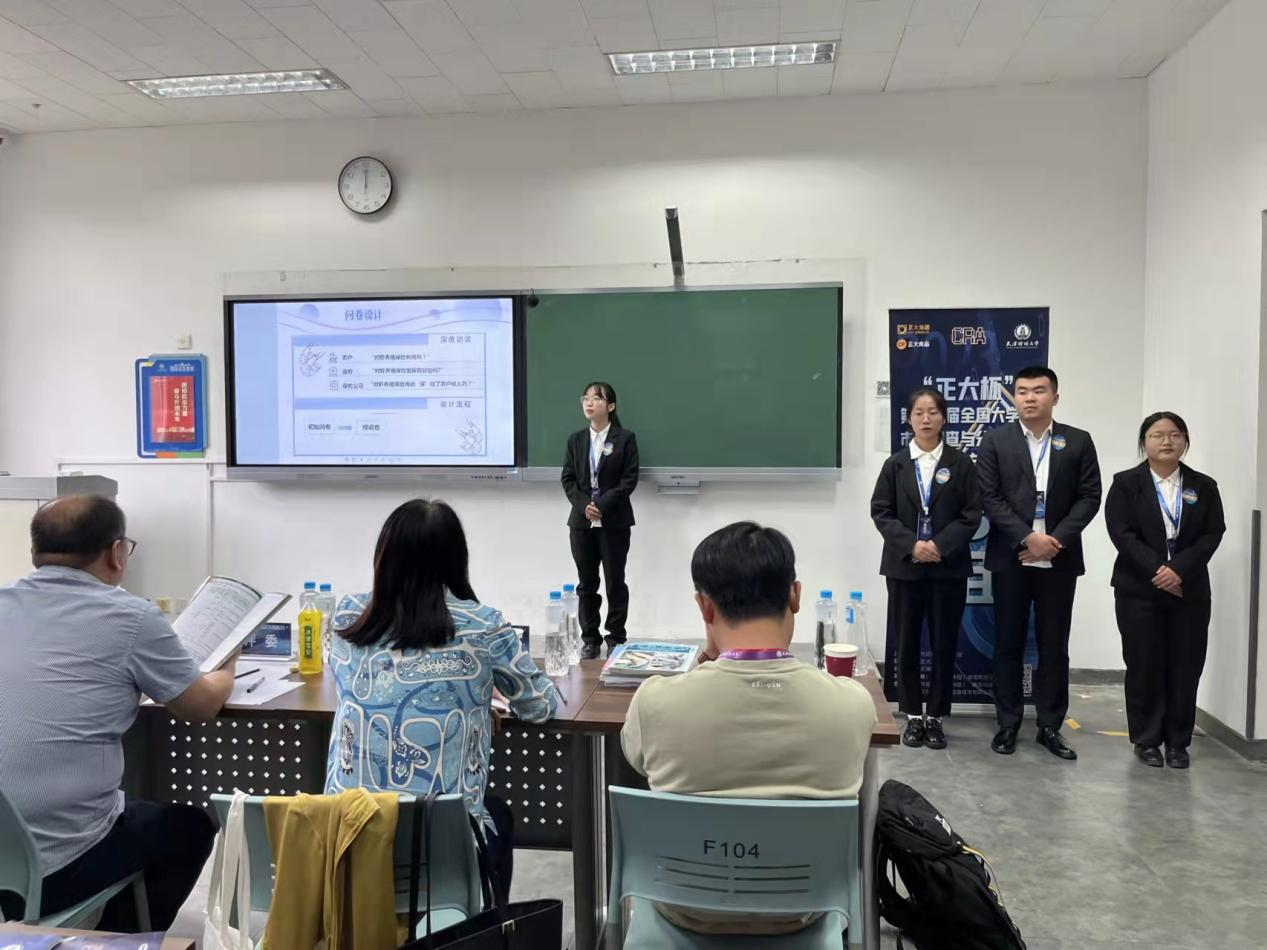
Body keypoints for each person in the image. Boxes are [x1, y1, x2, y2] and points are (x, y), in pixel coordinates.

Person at [621, 521, 876, 936]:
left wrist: (707, 661)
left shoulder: (655, 702)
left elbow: (635, 759)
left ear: (705, 608)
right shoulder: (852, 705)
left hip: (684, 909)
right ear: (795, 595)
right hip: (801, 911)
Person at [0, 495, 236, 931]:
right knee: (189, 828)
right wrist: (226, 669)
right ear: (116, 552)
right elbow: (199, 707)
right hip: (47, 874)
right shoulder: (130, 616)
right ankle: (116, 937)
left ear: (34, 552)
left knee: (129, 811)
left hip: (7, 860)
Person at [326, 498, 558, 901]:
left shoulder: (348, 618)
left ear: (384, 557)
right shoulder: (484, 626)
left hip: (349, 845)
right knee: (498, 815)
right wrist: (477, 700)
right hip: (442, 854)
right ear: (456, 561)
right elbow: (541, 705)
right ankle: (483, 926)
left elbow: (373, 686)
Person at [975, 366, 1102, 760]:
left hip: (1059, 560)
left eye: (1039, 390)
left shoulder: (1077, 441)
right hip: (1012, 556)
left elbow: (1089, 496)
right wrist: (1029, 538)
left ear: (1055, 397)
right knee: (1008, 643)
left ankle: (1049, 726)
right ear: (1014, 398)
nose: (1030, 398)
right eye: (1022, 391)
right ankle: (1008, 724)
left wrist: (1054, 541)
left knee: (1054, 645)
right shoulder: (996, 441)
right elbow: (989, 497)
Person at [1105, 413, 1224, 769]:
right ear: (1144, 443)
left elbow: (1212, 533)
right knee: (1143, 664)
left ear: (1185, 440)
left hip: (1188, 590)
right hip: (1138, 589)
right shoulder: (1126, 484)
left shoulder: (1204, 486)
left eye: (1175, 434)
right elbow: (1121, 533)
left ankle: (1177, 742)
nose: (1167, 441)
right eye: (1157, 435)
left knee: (1186, 665)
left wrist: (1178, 570)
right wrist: (1158, 570)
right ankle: (1146, 740)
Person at [870, 387, 983, 749]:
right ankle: (912, 715)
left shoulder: (961, 463)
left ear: (944, 418)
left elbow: (971, 514)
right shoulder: (896, 465)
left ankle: (935, 716)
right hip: (904, 567)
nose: (926, 419)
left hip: (948, 568)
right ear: (908, 419)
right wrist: (912, 545)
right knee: (905, 642)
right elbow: (881, 512)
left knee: (944, 642)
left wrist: (939, 546)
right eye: (919, 412)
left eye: (933, 412)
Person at [561, 381, 640, 659]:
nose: (589, 403)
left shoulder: (625, 438)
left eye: (596, 398)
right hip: (581, 523)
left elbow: (629, 479)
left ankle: (616, 637)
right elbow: (568, 479)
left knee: (615, 582)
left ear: (611, 406)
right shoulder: (575, 440)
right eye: (586, 398)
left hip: (614, 521)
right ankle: (590, 639)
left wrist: (601, 505)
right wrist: (586, 506)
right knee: (586, 584)